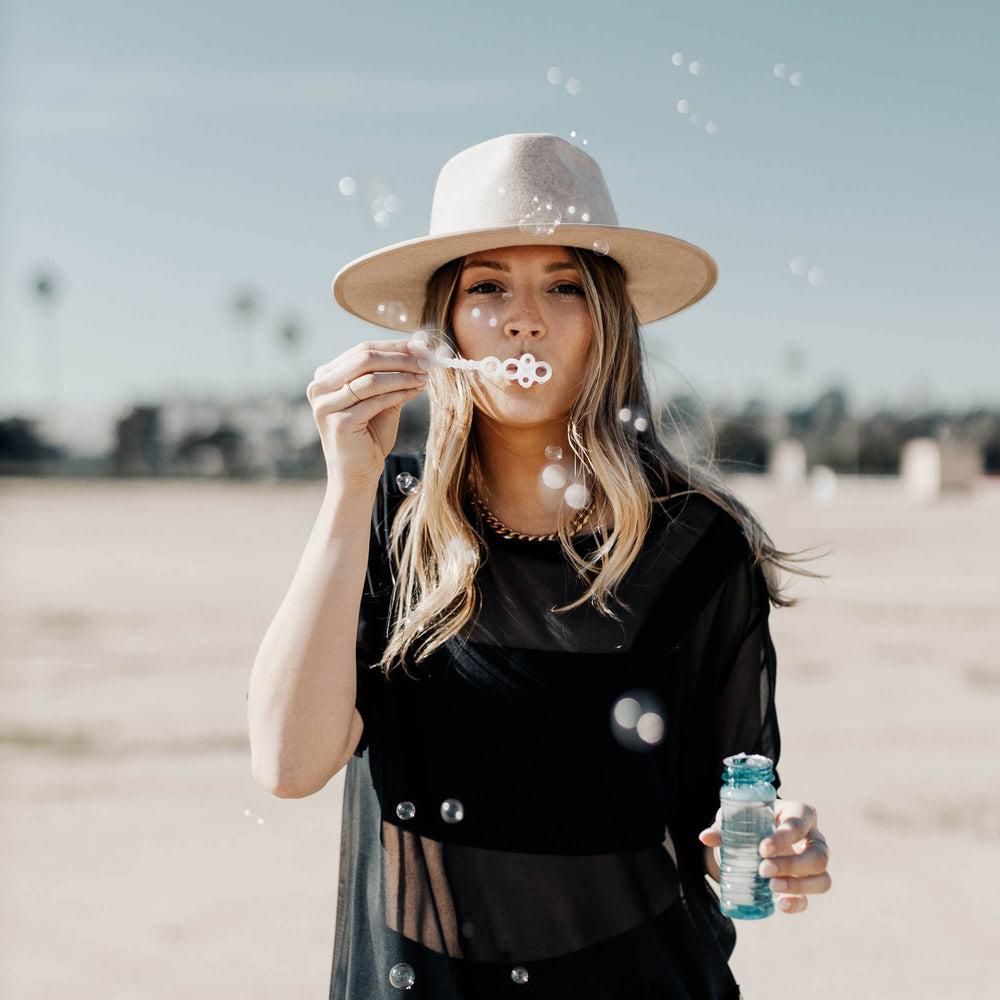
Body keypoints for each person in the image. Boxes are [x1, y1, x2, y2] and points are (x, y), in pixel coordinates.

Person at [247, 133, 833, 999]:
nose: (525, 317)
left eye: (565, 286)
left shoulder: (699, 547)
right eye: (488, 286)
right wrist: (349, 487)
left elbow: (734, 808)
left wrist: (783, 842)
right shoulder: (389, 517)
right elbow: (289, 765)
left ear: (607, 319)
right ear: (443, 324)